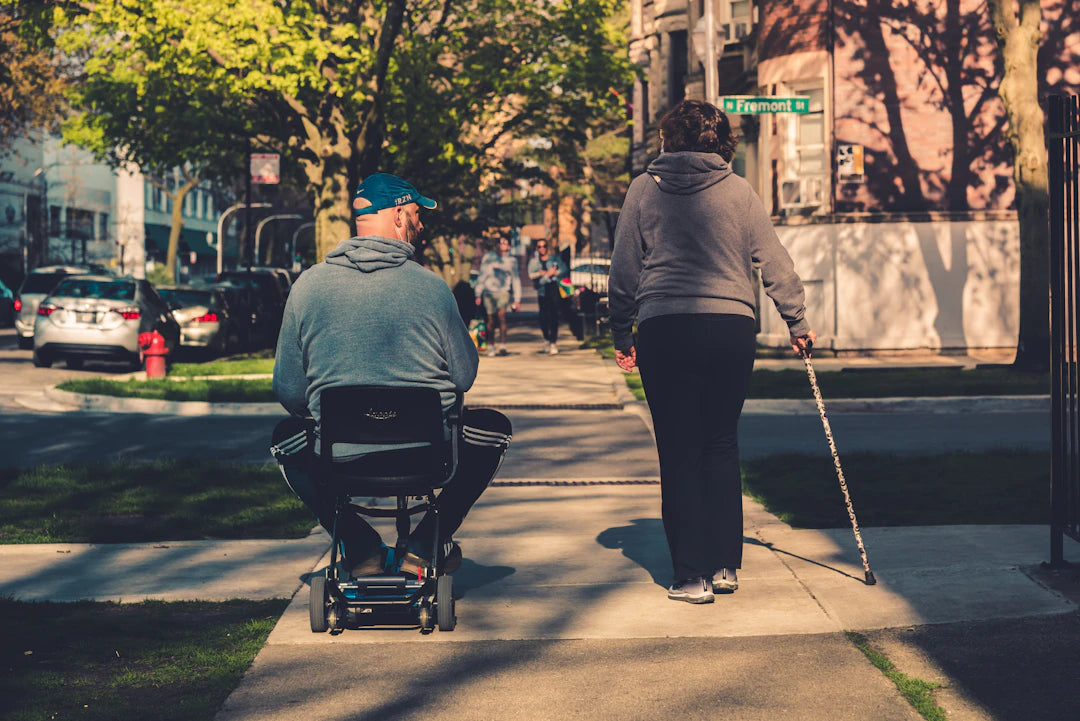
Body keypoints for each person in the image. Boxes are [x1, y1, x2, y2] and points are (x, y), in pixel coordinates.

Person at [608, 99, 816, 605]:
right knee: (721, 442)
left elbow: (623, 271)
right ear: (722, 143)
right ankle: (725, 564)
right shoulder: (740, 191)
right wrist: (797, 321)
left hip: (666, 326)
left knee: (678, 448)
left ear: (667, 139)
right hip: (729, 327)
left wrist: (621, 333)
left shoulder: (643, 190)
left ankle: (691, 575)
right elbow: (775, 261)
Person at [272, 172, 512, 577]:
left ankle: (359, 543)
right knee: (494, 428)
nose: (421, 225)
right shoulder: (433, 288)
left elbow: (289, 390)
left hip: (339, 457)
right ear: (399, 216)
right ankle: (425, 543)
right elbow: (464, 375)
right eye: (417, 214)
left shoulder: (307, 286)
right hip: (425, 455)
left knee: (285, 439)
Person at [474, 236, 521, 356]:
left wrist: (517, 299)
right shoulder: (489, 257)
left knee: (501, 316)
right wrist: (478, 293)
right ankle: (491, 344)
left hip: (503, 291)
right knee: (490, 320)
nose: (502, 245)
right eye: (500, 243)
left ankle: (503, 345)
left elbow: (516, 279)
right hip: (488, 291)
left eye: (505, 243)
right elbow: (482, 275)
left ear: (509, 246)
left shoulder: (512, 261)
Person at [526, 239, 569, 354]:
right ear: (537, 248)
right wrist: (543, 274)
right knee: (543, 317)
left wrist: (555, 273)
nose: (542, 248)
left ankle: (553, 342)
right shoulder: (534, 262)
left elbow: (564, 269)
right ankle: (546, 339)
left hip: (553, 289)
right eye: (539, 246)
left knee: (554, 315)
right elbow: (531, 275)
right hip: (541, 290)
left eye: (544, 246)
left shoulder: (554, 259)